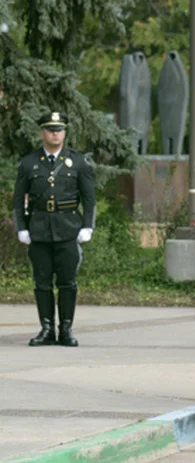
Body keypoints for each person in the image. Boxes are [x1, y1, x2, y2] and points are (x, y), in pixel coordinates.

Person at [12, 111, 96, 347]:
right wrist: (22, 228)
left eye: (59, 130)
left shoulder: (77, 161)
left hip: (68, 229)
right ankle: (46, 329)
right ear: (42, 133)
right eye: (50, 130)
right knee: (42, 282)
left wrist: (87, 226)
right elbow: (18, 200)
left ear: (64, 133)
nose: (55, 133)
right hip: (38, 230)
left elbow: (89, 199)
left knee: (67, 282)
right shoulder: (29, 162)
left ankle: (66, 329)